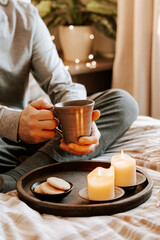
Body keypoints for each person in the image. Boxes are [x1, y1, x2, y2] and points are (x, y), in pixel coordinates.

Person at [0, 0, 139, 193]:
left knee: (123, 103)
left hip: (36, 133)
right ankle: (34, 168)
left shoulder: (24, 14)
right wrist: (13, 123)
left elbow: (61, 83)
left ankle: (19, 174)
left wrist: (80, 117)